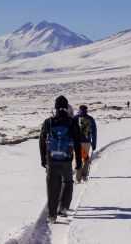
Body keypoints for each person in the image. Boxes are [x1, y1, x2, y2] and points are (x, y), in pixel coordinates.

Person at [39, 95, 82, 223]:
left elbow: (41, 141)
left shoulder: (49, 122)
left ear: (56, 107)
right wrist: (78, 161)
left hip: (51, 159)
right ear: (66, 107)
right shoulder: (72, 122)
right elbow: (77, 143)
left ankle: (52, 215)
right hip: (67, 160)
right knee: (68, 182)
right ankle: (63, 207)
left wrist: (43, 159)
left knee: (52, 187)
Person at [74, 105, 97, 183]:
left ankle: (78, 177)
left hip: (77, 142)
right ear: (86, 110)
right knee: (86, 159)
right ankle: (83, 175)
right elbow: (94, 132)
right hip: (87, 142)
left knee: (78, 159)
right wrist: (94, 143)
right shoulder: (90, 119)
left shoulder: (75, 118)